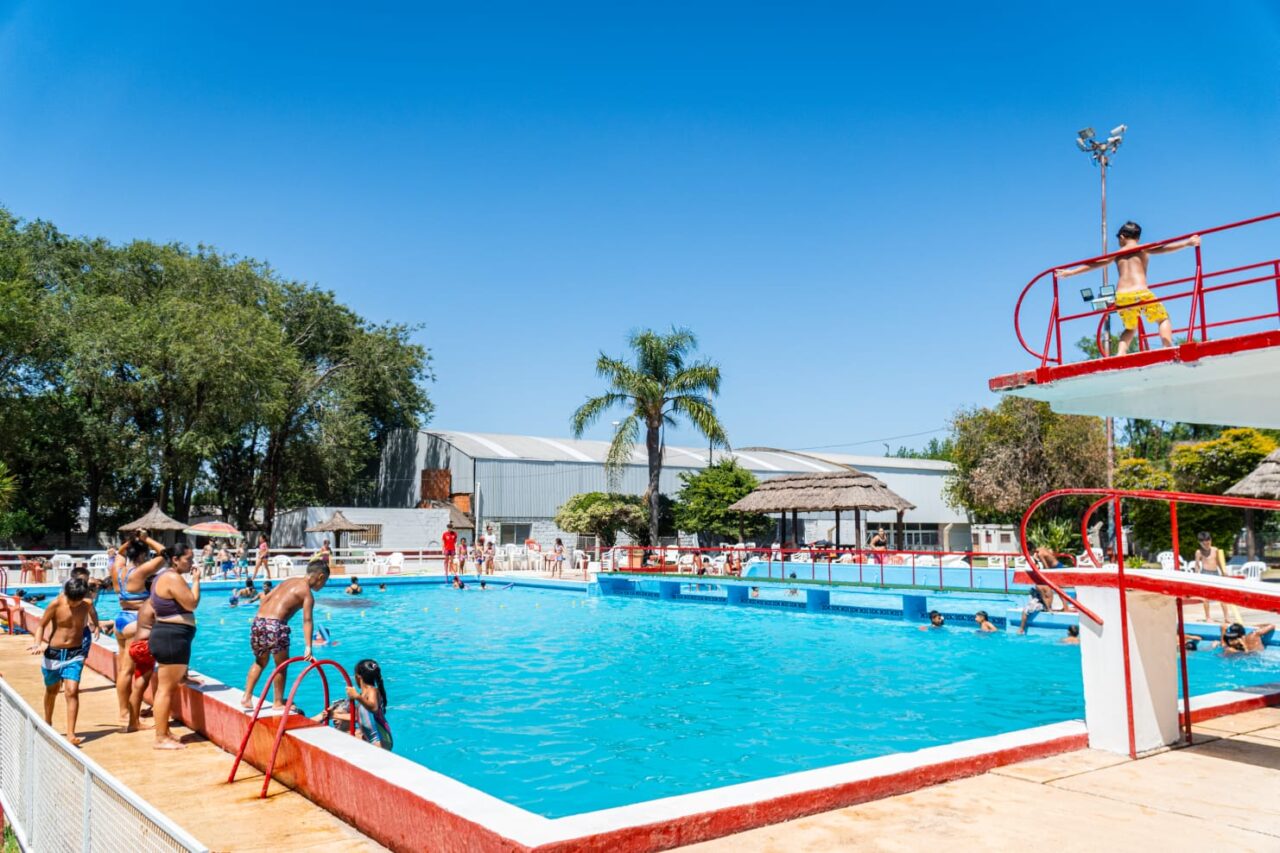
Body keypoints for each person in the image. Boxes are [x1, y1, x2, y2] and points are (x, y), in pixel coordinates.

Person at [1056, 222, 1200, 356]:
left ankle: (1120, 354)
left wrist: (1071, 272)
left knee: (1130, 328)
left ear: (1122, 237)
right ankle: (1167, 348)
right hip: (1140, 292)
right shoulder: (1143, 248)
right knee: (1163, 319)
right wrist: (1187, 243)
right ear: (1137, 237)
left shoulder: (1116, 254)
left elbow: (1095, 264)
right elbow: (1164, 248)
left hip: (1122, 296)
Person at [241, 559, 330, 709]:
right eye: (325, 581)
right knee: (281, 665)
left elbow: (266, 599)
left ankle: (247, 697)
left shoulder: (288, 581)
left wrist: (264, 620)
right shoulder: (307, 594)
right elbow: (307, 620)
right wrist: (308, 647)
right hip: (275, 625)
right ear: (320, 577)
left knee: (260, 662)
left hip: (258, 622)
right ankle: (277, 702)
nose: (323, 585)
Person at [148, 542, 201, 749]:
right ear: (175, 559)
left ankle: (165, 732)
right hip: (171, 637)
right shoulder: (172, 577)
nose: (191, 563)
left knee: (166, 688)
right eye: (188, 559)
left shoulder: (162, 577)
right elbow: (191, 603)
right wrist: (196, 581)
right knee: (165, 690)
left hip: (169, 636)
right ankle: (160, 738)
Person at [29, 577, 94, 745]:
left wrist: (97, 626)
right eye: (71, 600)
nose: (74, 604)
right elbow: (41, 625)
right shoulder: (56, 604)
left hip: (75, 653)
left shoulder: (86, 604)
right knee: (52, 690)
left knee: (72, 691)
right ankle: (48, 721)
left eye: (77, 601)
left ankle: (71, 733)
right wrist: (37, 643)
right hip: (54, 654)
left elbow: (93, 614)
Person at [111, 532, 166, 726]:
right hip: (136, 622)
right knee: (133, 670)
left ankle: (124, 711)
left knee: (124, 670)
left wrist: (132, 541)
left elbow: (119, 553)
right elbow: (165, 553)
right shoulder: (140, 572)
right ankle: (128, 715)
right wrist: (146, 539)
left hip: (121, 619)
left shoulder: (118, 569)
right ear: (142, 555)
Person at [315, 659, 393, 750]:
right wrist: (334, 715)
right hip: (374, 739)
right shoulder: (363, 695)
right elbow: (357, 717)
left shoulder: (372, 690)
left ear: (358, 677)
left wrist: (356, 696)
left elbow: (374, 707)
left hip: (381, 739)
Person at [1194, 532, 1240, 623]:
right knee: (1205, 598)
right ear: (1200, 543)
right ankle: (1208, 617)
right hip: (1205, 574)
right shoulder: (1199, 552)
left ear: (1211, 541)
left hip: (1215, 574)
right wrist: (1197, 574)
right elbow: (1197, 565)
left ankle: (1226, 617)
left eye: (1208, 543)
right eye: (1204, 544)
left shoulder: (1215, 550)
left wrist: (1223, 572)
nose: (1207, 545)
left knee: (1222, 597)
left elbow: (1219, 562)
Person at [127, 599, 157, 731]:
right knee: (142, 686)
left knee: (138, 685)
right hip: (145, 646)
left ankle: (133, 722)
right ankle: (135, 723)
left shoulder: (145, 604)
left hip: (136, 645)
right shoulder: (156, 604)